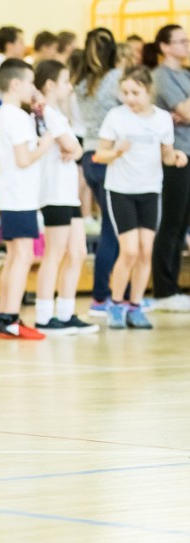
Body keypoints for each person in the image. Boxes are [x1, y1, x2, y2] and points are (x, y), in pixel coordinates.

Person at [96, 66, 186, 330]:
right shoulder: (116, 117)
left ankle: (136, 306)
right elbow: (100, 154)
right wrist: (116, 152)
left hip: (150, 190)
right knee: (130, 250)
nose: (129, 98)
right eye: (125, 92)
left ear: (148, 91)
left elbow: (167, 155)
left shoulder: (162, 119)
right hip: (121, 190)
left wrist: (177, 157)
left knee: (146, 251)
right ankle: (115, 304)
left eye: (135, 92)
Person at [32, 60, 98, 335]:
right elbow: (72, 146)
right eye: (65, 81)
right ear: (50, 84)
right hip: (54, 192)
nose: (70, 87)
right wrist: (73, 147)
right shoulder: (47, 112)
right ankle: (44, 316)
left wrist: (75, 148)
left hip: (69, 194)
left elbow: (79, 150)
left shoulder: (57, 113)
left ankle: (66, 312)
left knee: (78, 251)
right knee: (55, 253)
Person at [0, 58, 54, 340]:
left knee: (15, 256)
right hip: (20, 194)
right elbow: (24, 158)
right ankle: (10, 317)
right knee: (23, 256)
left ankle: (5, 316)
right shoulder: (15, 116)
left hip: (11, 193)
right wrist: (45, 145)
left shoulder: (5, 113)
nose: (34, 88)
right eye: (30, 83)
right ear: (16, 84)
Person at [73, 28, 123, 316]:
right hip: (109, 155)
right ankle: (105, 295)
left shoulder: (81, 81)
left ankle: (112, 293)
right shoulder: (115, 79)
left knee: (111, 226)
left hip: (90, 156)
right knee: (115, 230)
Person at [148, 25, 190, 311]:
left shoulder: (185, 75)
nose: (187, 45)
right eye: (181, 41)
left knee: (183, 222)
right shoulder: (161, 77)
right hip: (173, 155)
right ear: (164, 46)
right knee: (171, 221)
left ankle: (173, 286)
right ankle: (164, 289)